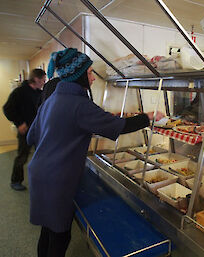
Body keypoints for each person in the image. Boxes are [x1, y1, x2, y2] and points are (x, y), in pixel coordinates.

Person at [26, 48, 163, 257]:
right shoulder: (79, 104)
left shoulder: (52, 99)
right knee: (60, 236)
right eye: (90, 72)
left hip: (40, 172)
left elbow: (31, 136)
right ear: (78, 74)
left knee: (48, 230)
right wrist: (149, 116)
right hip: (56, 179)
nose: (93, 78)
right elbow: (119, 126)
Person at [3, 68, 46, 191]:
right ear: (36, 79)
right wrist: (19, 123)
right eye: (43, 80)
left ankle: (40, 180)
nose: (44, 82)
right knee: (22, 157)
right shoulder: (19, 92)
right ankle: (15, 181)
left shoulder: (39, 93)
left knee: (41, 156)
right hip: (25, 131)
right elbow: (7, 109)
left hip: (38, 130)